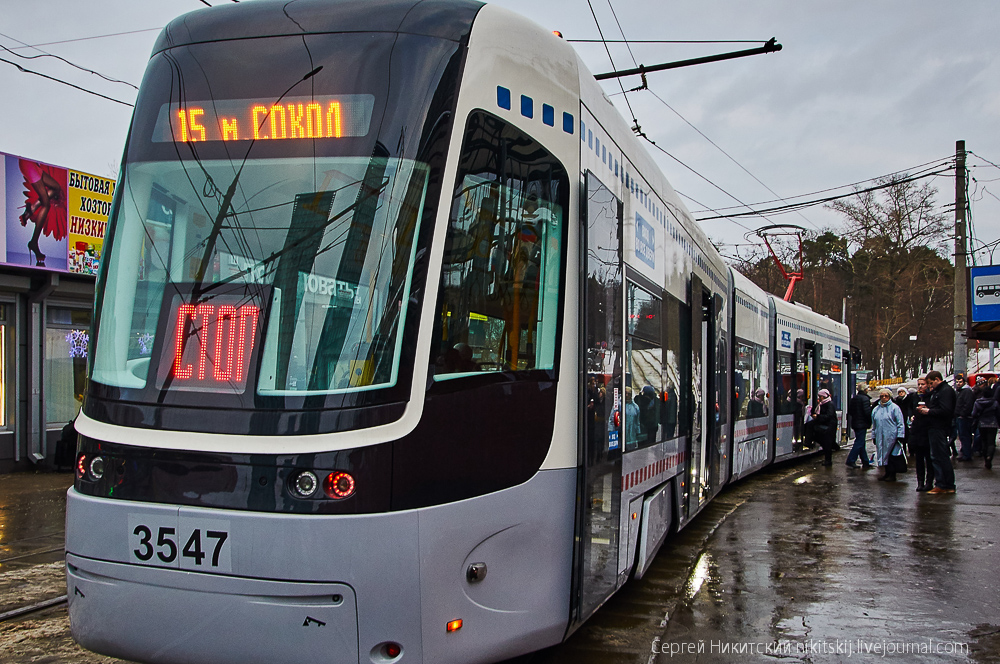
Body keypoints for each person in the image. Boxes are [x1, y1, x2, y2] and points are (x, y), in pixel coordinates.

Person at [918, 370, 957, 494]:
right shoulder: (941, 391)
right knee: (939, 456)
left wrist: (928, 411)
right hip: (936, 427)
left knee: (939, 456)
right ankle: (946, 484)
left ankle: (943, 484)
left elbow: (945, 410)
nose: (930, 386)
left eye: (930, 383)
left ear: (937, 379)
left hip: (939, 428)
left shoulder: (944, 391)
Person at [871, 388, 906, 481]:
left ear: (889, 396)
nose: (884, 398)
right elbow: (874, 425)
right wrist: (874, 436)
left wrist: (900, 435)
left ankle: (892, 474)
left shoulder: (894, 408)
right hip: (880, 436)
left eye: (886, 396)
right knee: (883, 454)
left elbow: (900, 422)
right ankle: (887, 472)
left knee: (892, 455)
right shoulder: (876, 409)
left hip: (892, 436)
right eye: (882, 396)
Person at [908, 377, 934, 491]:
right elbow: (909, 408)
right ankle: (920, 482)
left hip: (927, 431)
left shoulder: (931, 396)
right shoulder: (914, 397)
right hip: (917, 431)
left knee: (929, 459)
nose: (920, 386)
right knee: (919, 460)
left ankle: (929, 482)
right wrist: (911, 415)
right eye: (919, 384)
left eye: (923, 384)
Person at [846, 383, 873, 468]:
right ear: (865, 390)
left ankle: (865, 461)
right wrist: (870, 421)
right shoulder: (865, 399)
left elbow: (850, 411)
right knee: (859, 442)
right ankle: (851, 460)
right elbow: (867, 412)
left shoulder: (854, 398)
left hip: (855, 422)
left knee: (861, 442)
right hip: (862, 423)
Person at [972, 381, 998, 470]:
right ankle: (989, 457)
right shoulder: (995, 403)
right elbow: (998, 414)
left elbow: (974, 414)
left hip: (982, 424)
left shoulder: (977, 402)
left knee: (984, 441)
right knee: (991, 443)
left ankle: (985, 458)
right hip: (993, 424)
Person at [812, 388, 838, 466]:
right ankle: (833, 446)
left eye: (820, 396)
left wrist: (818, 417)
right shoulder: (822, 404)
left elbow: (829, 415)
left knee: (827, 444)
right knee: (826, 443)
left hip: (829, 427)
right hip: (826, 426)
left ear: (823, 397)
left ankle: (828, 461)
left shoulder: (829, 404)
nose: (819, 398)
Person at [955, 374, 975, 461]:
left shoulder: (966, 391)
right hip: (963, 416)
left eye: (960, 382)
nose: (958, 384)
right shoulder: (963, 391)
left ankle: (966, 454)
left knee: (964, 435)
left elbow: (968, 404)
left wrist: (962, 413)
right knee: (964, 436)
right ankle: (966, 452)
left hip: (964, 417)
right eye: (957, 382)